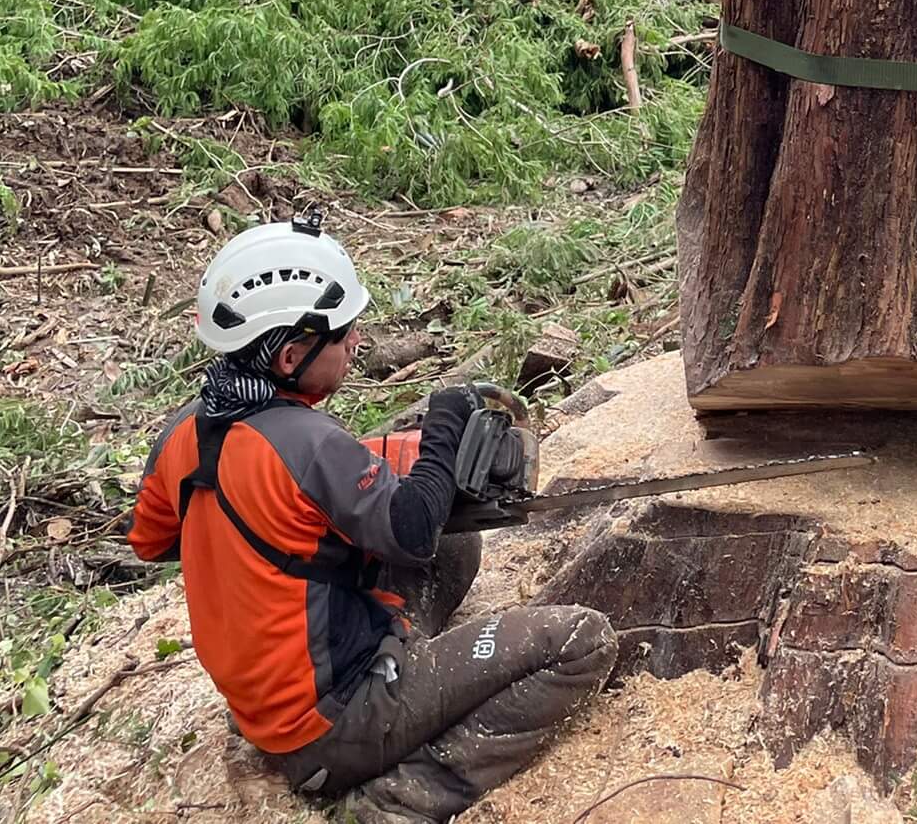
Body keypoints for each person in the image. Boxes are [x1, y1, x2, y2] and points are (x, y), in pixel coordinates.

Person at [129, 218, 615, 822]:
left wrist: (273, 530)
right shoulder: (306, 443)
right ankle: (398, 800)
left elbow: (151, 541)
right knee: (579, 642)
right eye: (342, 333)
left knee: (453, 548)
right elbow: (408, 529)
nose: (356, 341)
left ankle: (402, 672)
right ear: (289, 354)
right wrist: (441, 431)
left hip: (266, 704)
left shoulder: (188, 429)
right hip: (330, 725)